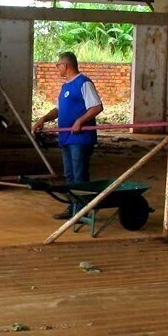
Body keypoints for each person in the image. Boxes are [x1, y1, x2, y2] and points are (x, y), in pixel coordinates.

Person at [33, 52, 104, 218]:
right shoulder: (65, 87)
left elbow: (97, 107)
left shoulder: (83, 83)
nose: (57, 68)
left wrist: (80, 121)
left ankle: (81, 210)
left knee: (79, 175)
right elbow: (58, 109)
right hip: (66, 138)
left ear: (66, 65)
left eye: (58, 65)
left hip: (80, 139)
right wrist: (43, 119)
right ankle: (73, 208)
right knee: (69, 175)